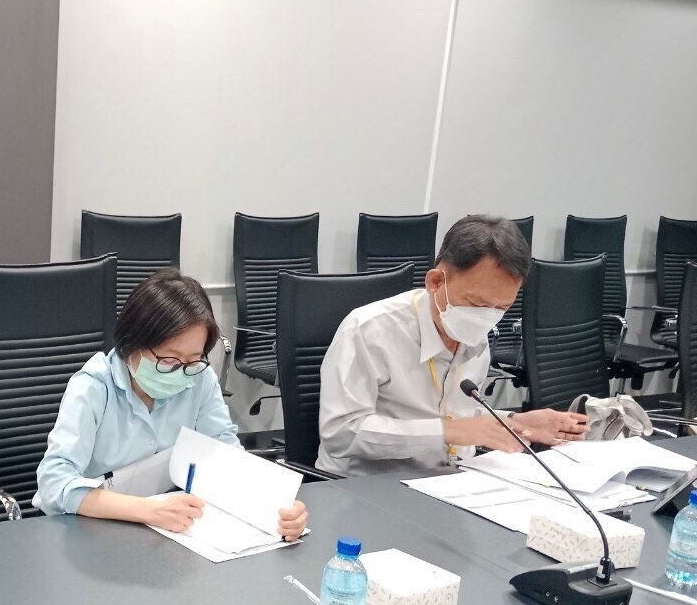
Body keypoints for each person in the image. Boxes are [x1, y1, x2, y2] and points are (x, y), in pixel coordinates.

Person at [36, 268, 309, 538]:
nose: (181, 371)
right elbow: (54, 483)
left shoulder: (199, 378)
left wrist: (276, 507)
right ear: (132, 343)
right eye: (169, 360)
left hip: (164, 532)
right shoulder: (94, 387)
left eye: (193, 359)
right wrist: (148, 510)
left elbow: (225, 453)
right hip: (88, 532)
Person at [316, 214, 589, 476]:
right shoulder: (370, 329)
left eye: (501, 308)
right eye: (477, 304)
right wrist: (449, 431)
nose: (486, 318)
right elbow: (341, 434)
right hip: (366, 485)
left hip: (448, 477)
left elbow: (460, 415)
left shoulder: (475, 334)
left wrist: (514, 423)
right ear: (436, 282)